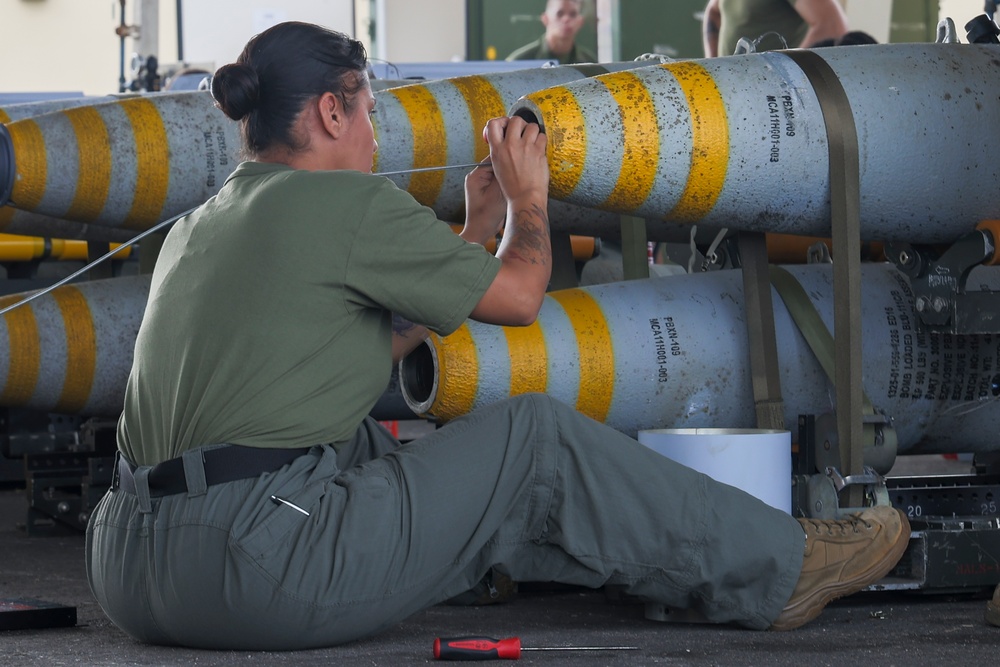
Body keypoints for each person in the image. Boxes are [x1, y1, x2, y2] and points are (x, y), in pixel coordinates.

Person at [86, 21, 910, 651]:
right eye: (369, 111)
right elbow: (519, 298)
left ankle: (617, 556)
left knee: (363, 445)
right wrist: (527, 200)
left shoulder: (200, 223)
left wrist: (473, 231)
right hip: (253, 571)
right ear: (330, 110)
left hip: (130, 564)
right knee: (534, 442)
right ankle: (782, 567)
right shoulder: (347, 202)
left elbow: (348, 340)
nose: (376, 136)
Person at [703, 0, 848, 57]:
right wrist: (712, 64)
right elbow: (714, 11)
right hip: (730, 88)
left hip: (772, 99)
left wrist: (784, 74)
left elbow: (832, 26)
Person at [506, 0, 596, 65]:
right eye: (559, 14)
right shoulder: (518, 62)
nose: (566, 19)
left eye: (573, 14)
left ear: (580, 22)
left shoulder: (591, 64)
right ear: (546, 19)